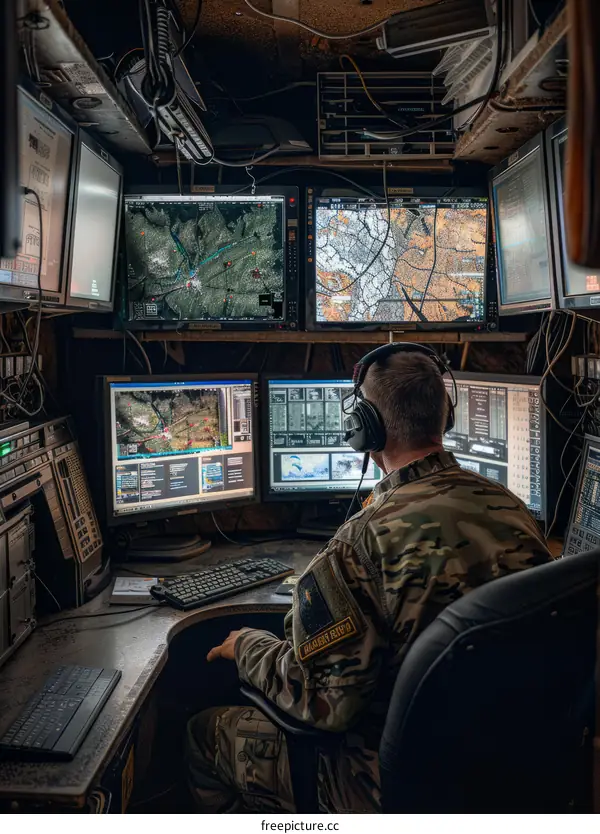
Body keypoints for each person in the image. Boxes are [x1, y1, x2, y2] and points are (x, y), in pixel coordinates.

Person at [186, 348, 552, 813]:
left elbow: (327, 704)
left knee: (203, 733)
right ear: (446, 415)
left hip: (384, 788)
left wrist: (247, 648)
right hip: (508, 781)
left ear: (366, 429)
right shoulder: (512, 509)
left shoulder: (356, 545)